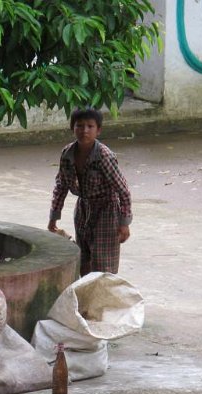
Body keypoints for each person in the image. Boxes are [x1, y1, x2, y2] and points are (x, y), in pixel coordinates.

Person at [48, 107, 132, 275]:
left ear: (98, 130)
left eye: (90, 126)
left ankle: (104, 300)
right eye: (79, 126)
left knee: (104, 264)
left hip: (107, 212)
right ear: (73, 128)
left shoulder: (104, 156)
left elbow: (123, 191)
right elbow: (61, 187)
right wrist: (53, 217)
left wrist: (124, 223)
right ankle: (86, 298)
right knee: (83, 259)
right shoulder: (67, 154)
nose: (84, 131)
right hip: (83, 210)